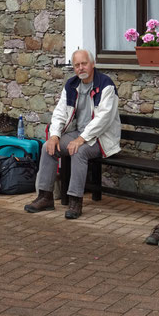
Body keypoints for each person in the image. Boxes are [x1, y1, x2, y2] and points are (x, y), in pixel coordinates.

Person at [24, 49, 121, 219]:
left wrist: (81, 139)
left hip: (101, 138)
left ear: (92, 64)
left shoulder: (106, 85)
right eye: (77, 65)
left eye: (84, 63)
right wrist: (55, 135)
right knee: (48, 146)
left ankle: (75, 201)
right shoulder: (71, 85)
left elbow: (103, 119)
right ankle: (45, 197)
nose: (81, 68)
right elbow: (60, 112)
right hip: (78, 134)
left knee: (79, 151)